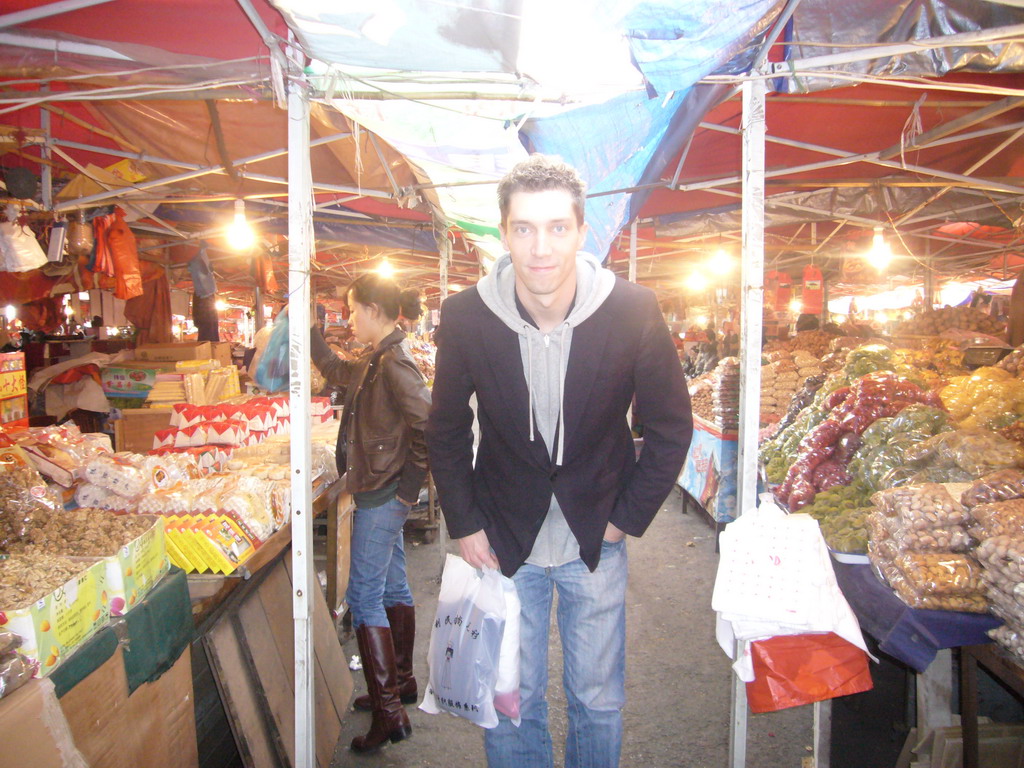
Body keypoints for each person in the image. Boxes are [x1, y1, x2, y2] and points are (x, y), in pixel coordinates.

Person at [426, 155, 693, 768]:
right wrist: (464, 523)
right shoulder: (466, 315)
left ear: (580, 231)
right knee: (511, 699)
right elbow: (444, 427)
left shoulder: (632, 310)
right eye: (523, 228)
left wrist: (625, 519)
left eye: (556, 228)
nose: (540, 247)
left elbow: (672, 426)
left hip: (594, 536)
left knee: (598, 700)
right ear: (503, 232)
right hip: (500, 538)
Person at [310, 275, 431, 754]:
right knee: (393, 586)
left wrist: (407, 490)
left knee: (364, 597)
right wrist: (311, 336)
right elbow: (342, 373)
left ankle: (388, 713)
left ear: (376, 310)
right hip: (383, 489)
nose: (350, 318)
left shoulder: (396, 362)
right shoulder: (378, 357)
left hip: (384, 494)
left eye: (354, 310)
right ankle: (400, 682)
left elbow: (429, 426)